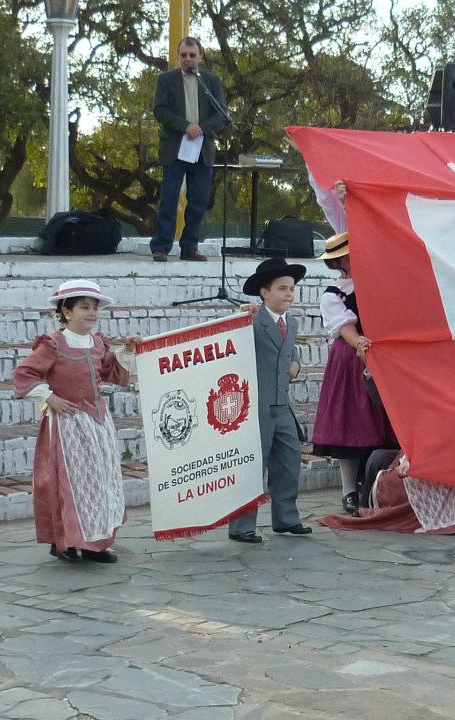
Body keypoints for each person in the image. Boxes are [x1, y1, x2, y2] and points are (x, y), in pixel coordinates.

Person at [13, 280, 139, 563]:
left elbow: (110, 372)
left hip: (97, 423)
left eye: (94, 308)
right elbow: (25, 374)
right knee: (71, 483)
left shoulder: (97, 343)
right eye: (84, 307)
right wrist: (50, 398)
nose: (92, 313)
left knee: (99, 481)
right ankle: (65, 542)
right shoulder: (53, 344)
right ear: (67, 312)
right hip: (68, 424)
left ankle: (95, 543)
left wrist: (127, 350)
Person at [228, 258, 312, 543]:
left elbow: (290, 353)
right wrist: (239, 316)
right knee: (254, 465)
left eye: (291, 288)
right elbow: (228, 342)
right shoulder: (249, 320)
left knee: (289, 460)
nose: (288, 294)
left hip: (282, 405)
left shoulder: (293, 322)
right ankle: (242, 525)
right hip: (256, 406)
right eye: (281, 288)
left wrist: (297, 365)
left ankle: (286, 517)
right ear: (264, 292)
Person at [311, 232, 394, 516]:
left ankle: (376, 487)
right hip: (352, 357)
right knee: (351, 426)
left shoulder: (381, 281)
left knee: (384, 426)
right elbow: (344, 326)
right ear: (339, 262)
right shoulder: (335, 292)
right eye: (345, 256)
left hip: (383, 354)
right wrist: (359, 342)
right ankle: (348, 490)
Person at [150, 36, 227, 263]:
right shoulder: (166, 80)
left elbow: (220, 113)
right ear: (178, 57)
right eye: (183, 55)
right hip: (175, 146)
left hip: (202, 148)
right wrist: (185, 127)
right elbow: (160, 110)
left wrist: (201, 129)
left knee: (199, 200)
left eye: (192, 55)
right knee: (170, 198)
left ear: (200, 57)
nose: (188, 59)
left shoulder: (211, 82)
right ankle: (161, 246)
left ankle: (189, 247)